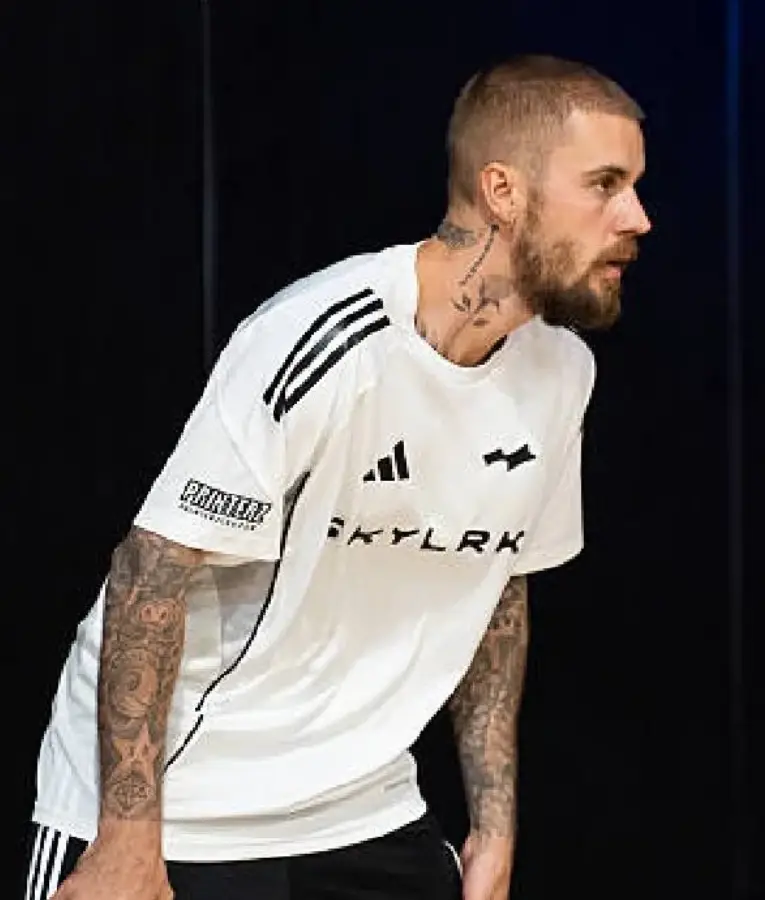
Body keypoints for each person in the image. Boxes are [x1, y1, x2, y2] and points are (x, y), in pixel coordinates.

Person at [24, 54, 650, 900]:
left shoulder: (561, 372)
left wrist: (493, 829)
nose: (636, 218)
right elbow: (149, 573)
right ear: (502, 191)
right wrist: (126, 843)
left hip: (361, 807)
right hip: (184, 808)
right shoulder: (325, 337)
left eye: (633, 187)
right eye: (605, 185)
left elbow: (497, 587)